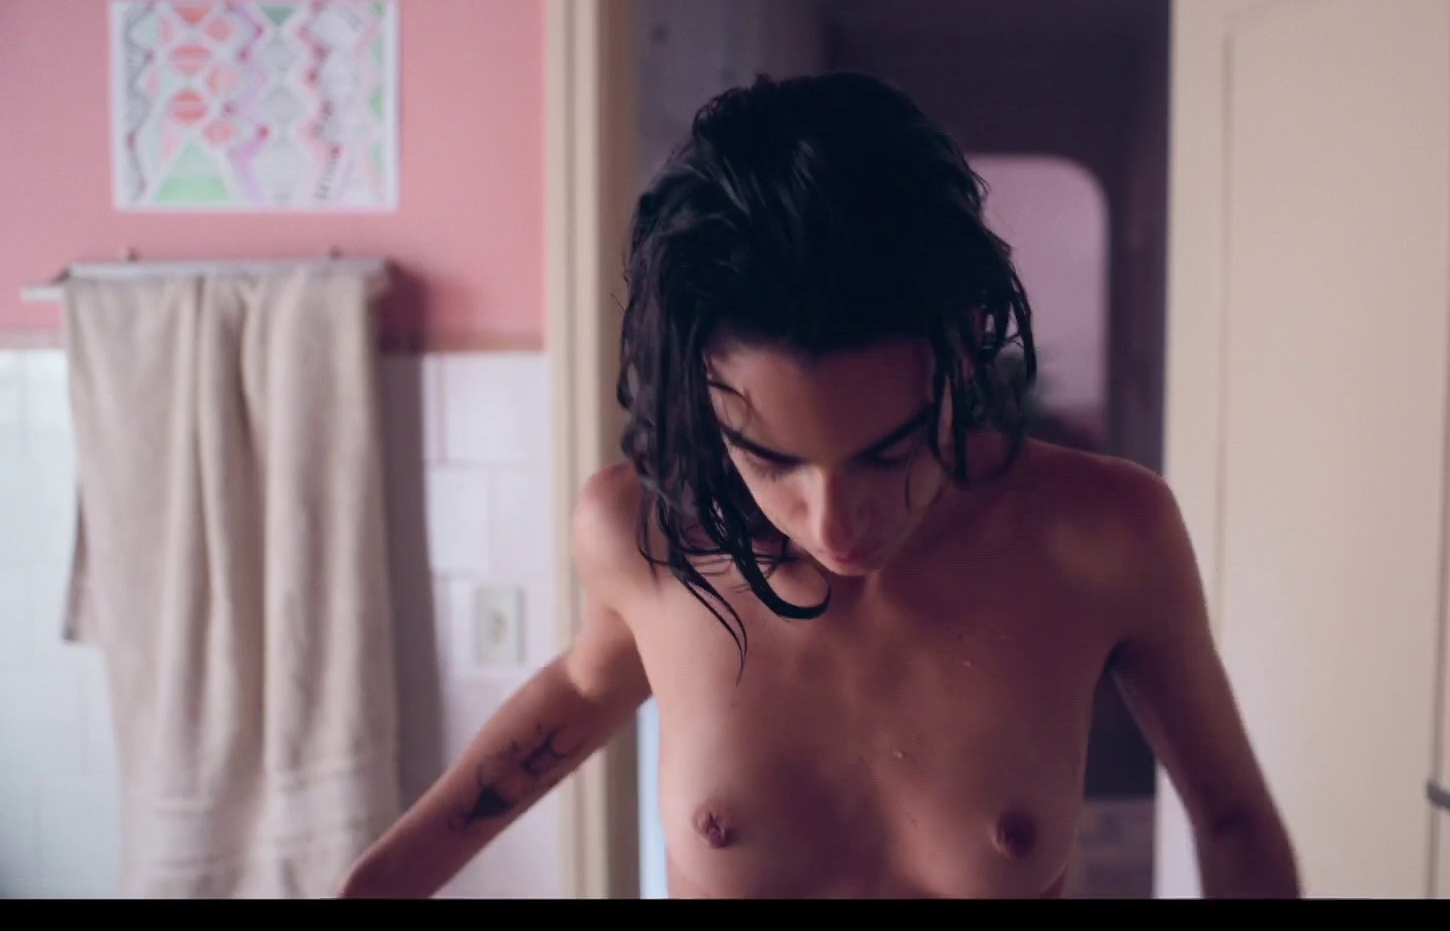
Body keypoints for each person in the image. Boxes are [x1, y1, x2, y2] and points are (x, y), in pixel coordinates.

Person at [337, 72, 1301, 899]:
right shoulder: (644, 536)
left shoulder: (1104, 536)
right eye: (770, 461)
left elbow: (1233, 821)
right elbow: (586, 683)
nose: (835, 525)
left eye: (889, 453)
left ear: (969, 342)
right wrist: (374, 884)